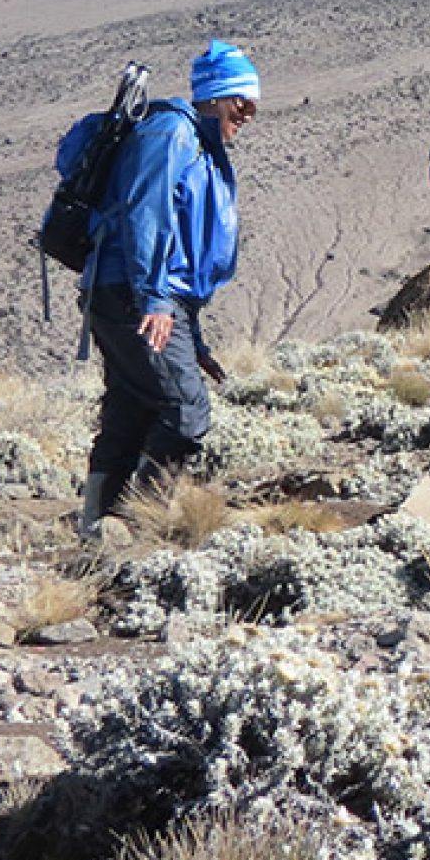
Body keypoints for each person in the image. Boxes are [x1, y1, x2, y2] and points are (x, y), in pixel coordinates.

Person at [72, 39, 260, 538]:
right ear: (216, 95)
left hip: (137, 294)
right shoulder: (172, 135)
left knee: (132, 408)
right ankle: (139, 523)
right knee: (185, 409)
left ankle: (96, 526)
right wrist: (155, 299)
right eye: (240, 99)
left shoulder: (199, 144)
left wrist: (192, 337)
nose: (248, 111)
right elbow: (145, 215)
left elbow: (186, 251)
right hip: (134, 293)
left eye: (253, 101)